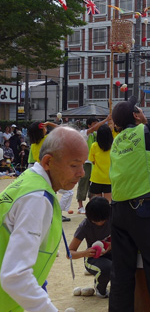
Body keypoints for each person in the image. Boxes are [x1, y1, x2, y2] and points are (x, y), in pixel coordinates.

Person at [108, 54, 150, 311]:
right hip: (145, 211)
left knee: (121, 275)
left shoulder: (117, 142)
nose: (142, 112)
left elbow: (134, 161)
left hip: (120, 213)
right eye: (139, 109)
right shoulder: (145, 131)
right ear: (136, 117)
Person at [0, 126, 88, 311]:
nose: (82, 173)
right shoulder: (37, 199)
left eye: (83, 165)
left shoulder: (29, 182)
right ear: (48, 162)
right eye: (74, 165)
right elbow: (15, 276)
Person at [69, 196, 112, 298]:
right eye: (95, 221)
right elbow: (69, 252)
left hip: (113, 254)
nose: (100, 223)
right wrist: (85, 253)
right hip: (93, 259)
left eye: (103, 220)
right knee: (107, 268)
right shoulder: (85, 225)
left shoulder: (113, 216)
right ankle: (100, 289)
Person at [77, 116, 111, 214]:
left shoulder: (96, 139)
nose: (97, 126)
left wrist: (109, 124)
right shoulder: (84, 133)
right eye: (94, 124)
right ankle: (80, 206)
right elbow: (96, 130)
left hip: (93, 168)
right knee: (83, 184)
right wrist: (106, 120)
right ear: (89, 125)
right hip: (86, 163)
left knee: (93, 191)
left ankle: (91, 206)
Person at [88, 124, 114, 202]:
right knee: (108, 203)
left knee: (97, 203)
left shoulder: (94, 146)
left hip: (96, 178)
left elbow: (92, 161)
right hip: (109, 178)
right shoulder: (114, 146)